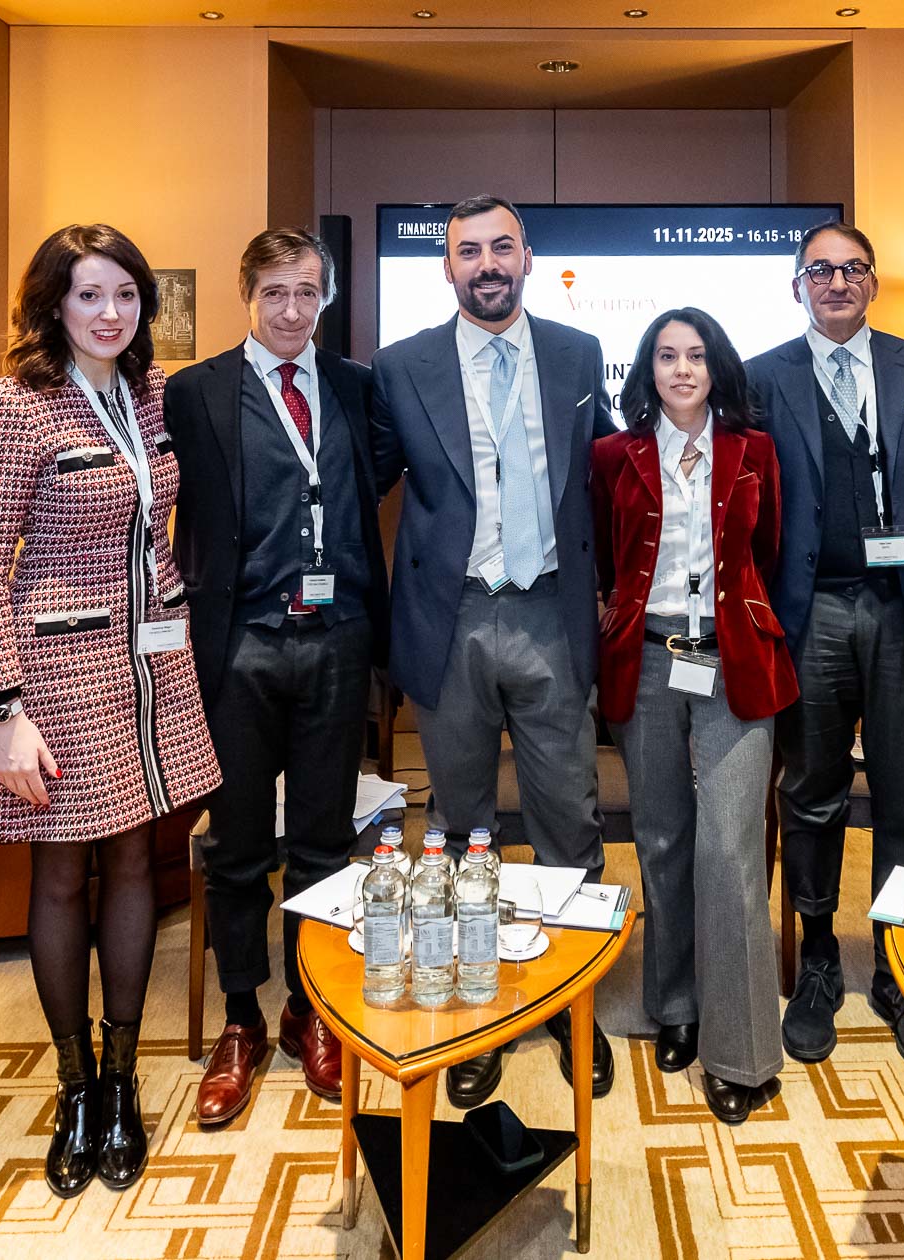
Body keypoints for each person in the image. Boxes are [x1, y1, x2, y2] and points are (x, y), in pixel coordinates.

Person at [0, 224, 221, 1198]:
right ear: (53, 303)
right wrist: (3, 711)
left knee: (138, 861)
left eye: (126, 295)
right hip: (55, 675)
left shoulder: (152, 395)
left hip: (153, 666)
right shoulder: (12, 406)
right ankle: (74, 1088)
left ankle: (121, 1078)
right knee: (63, 874)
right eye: (90, 295)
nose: (110, 314)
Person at [370, 194, 619, 1108]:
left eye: (501, 247)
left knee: (570, 826)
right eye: (468, 251)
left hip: (553, 613)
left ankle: (567, 1003)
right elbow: (357, 488)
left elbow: (610, 482)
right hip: (453, 620)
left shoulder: (578, 354)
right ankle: (473, 1013)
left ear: (527, 257)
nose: (487, 265)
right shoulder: (401, 366)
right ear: (447, 267)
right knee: (457, 829)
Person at [164, 228, 388, 1119]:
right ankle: (240, 1019)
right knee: (238, 848)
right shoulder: (195, 392)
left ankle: (310, 1008)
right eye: (275, 293)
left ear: (325, 298)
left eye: (307, 293)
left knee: (326, 846)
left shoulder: (355, 386)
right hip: (239, 647)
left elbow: (375, 483)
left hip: (336, 643)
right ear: (246, 295)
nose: (292, 311)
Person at [745, 221, 904, 1075]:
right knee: (811, 793)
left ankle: (899, 970)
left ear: (873, 282)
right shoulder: (763, 376)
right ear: (797, 286)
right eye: (820, 271)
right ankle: (818, 960)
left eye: (853, 269)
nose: (837, 283)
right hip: (812, 614)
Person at [592, 309, 798, 1124]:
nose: (682, 369)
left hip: (733, 657)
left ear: (718, 368)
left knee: (730, 849)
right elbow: (607, 558)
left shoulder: (755, 451)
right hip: (645, 660)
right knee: (662, 838)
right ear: (647, 369)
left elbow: (767, 550)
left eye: (697, 356)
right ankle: (674, 1006)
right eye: (667, 356)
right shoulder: (613, 455)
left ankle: (739, 1049)